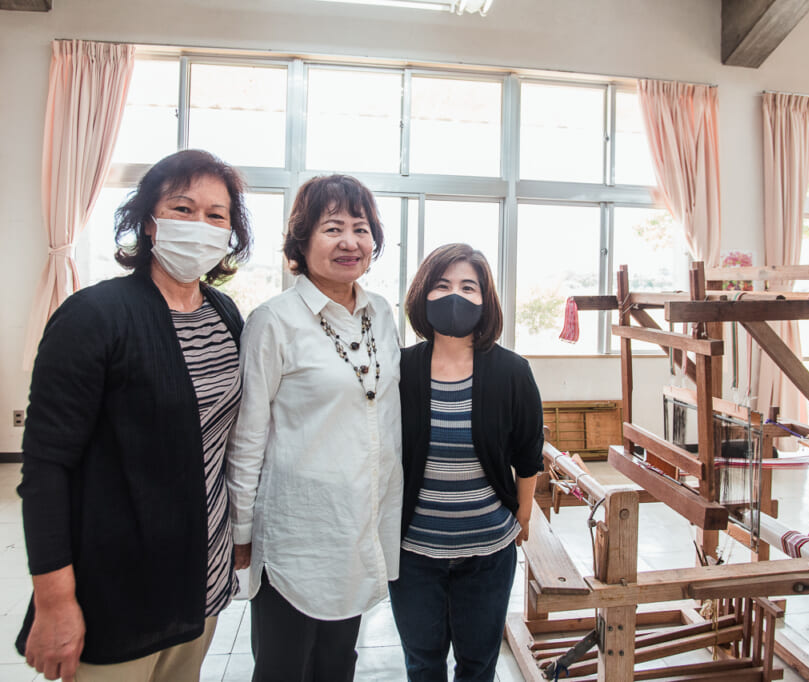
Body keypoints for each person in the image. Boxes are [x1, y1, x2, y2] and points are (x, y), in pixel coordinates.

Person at [17, 149, 254, 682]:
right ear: (149, 222)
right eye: (182, 208)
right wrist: (54, 601)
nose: (200, 225)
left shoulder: (225, 315)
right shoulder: (94, 316)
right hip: (117, 595)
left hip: (202, 581)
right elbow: (46, 469)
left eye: (216, 216)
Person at [227, 174, 403, 682]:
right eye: (332, 228)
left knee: (337, 663)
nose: (350, 242)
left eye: (361, 228)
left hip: (358, 525)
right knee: (285, 666)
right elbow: (248, 436)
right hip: (296, 532)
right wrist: (241, 530)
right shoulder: (274, 321)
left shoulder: (381, 314)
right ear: (301, 242)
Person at [390, 243, 544, 682]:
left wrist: (524, 514)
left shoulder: (512, 371)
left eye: (467, 287)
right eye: (442, 285)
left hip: (488, 553)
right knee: (423, 664)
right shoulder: (400, 369)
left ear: (485, 299)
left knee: (478, 666)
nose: (454, 296)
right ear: (423, 294)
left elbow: (528, 453)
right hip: (413, 554)